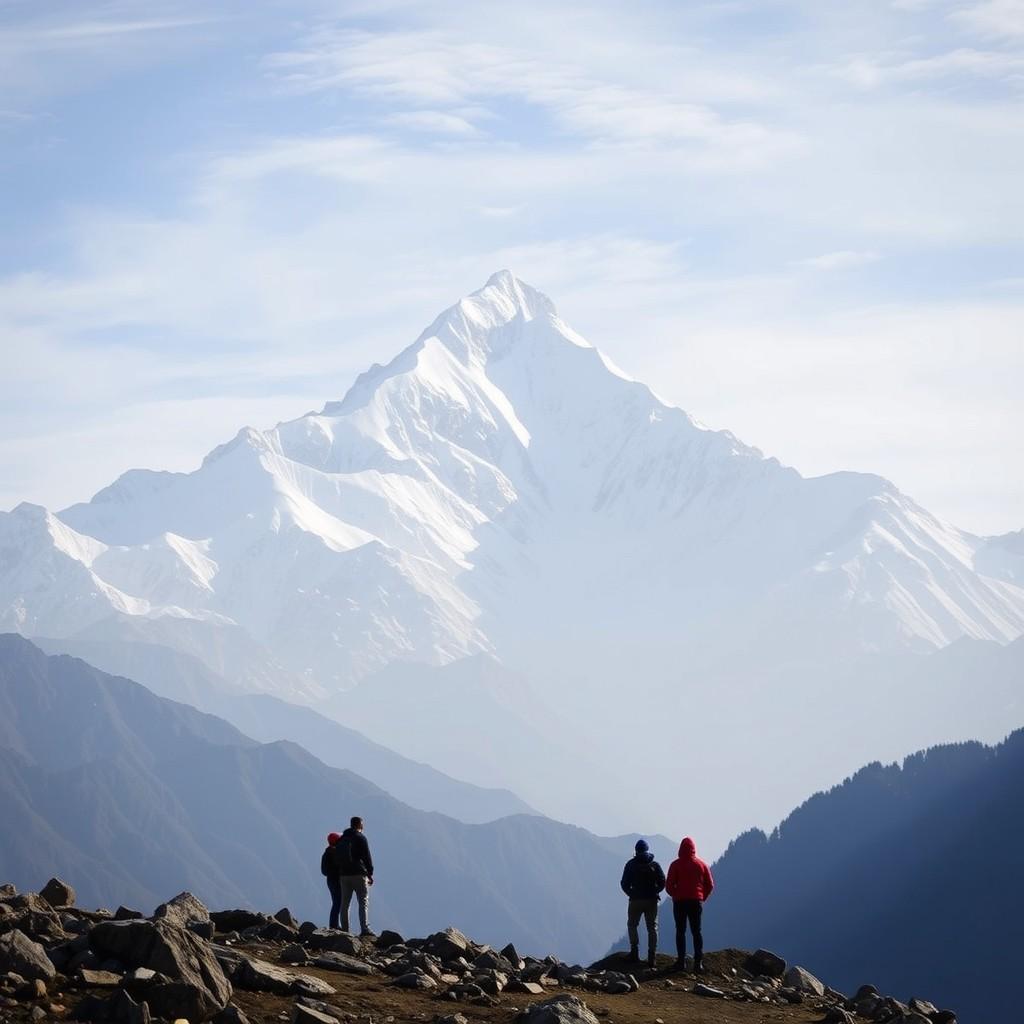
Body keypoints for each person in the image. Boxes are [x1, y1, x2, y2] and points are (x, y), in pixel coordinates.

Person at [665, 836, 714, 973]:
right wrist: (702, 897)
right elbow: (710, 884)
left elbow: (668, 885)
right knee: (696, 932)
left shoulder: (675, 865)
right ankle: (698, 964)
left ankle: (681, 962)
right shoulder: (701, 865)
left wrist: (675, 894)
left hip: (680, 902)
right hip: (695, 902)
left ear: (681, 849)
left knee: (680, 931)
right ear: (694, 849)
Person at [620, 838, 666, 967]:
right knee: (652, 928)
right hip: (652, 900)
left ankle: (634, 953)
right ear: (647, 850)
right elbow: (663, 882)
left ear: (636, 851)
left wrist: (631, 893)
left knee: (632, 925)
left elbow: (624, 883)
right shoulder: (654, 865)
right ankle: (652, 957)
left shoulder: (631, 864)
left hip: (635, 900)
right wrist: (655, 891)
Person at [336, 815, 375, 935]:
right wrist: (370, 873)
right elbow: (367, 857)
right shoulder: (361, 837)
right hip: (358, 874)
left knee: (345, 903)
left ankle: (345, 930)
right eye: (362, 824)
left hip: (344, 875)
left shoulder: (342, 838)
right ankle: (365, 928)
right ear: (359, 825)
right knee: (362, 901)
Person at [320, 831, 342, 929]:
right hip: (336, 881)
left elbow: (324, 871)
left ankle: (334, 925)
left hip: (330, 881)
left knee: (336, 902)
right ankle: (334, 926)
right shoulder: (335, 853)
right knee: (338, 903)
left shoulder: (326, 853)